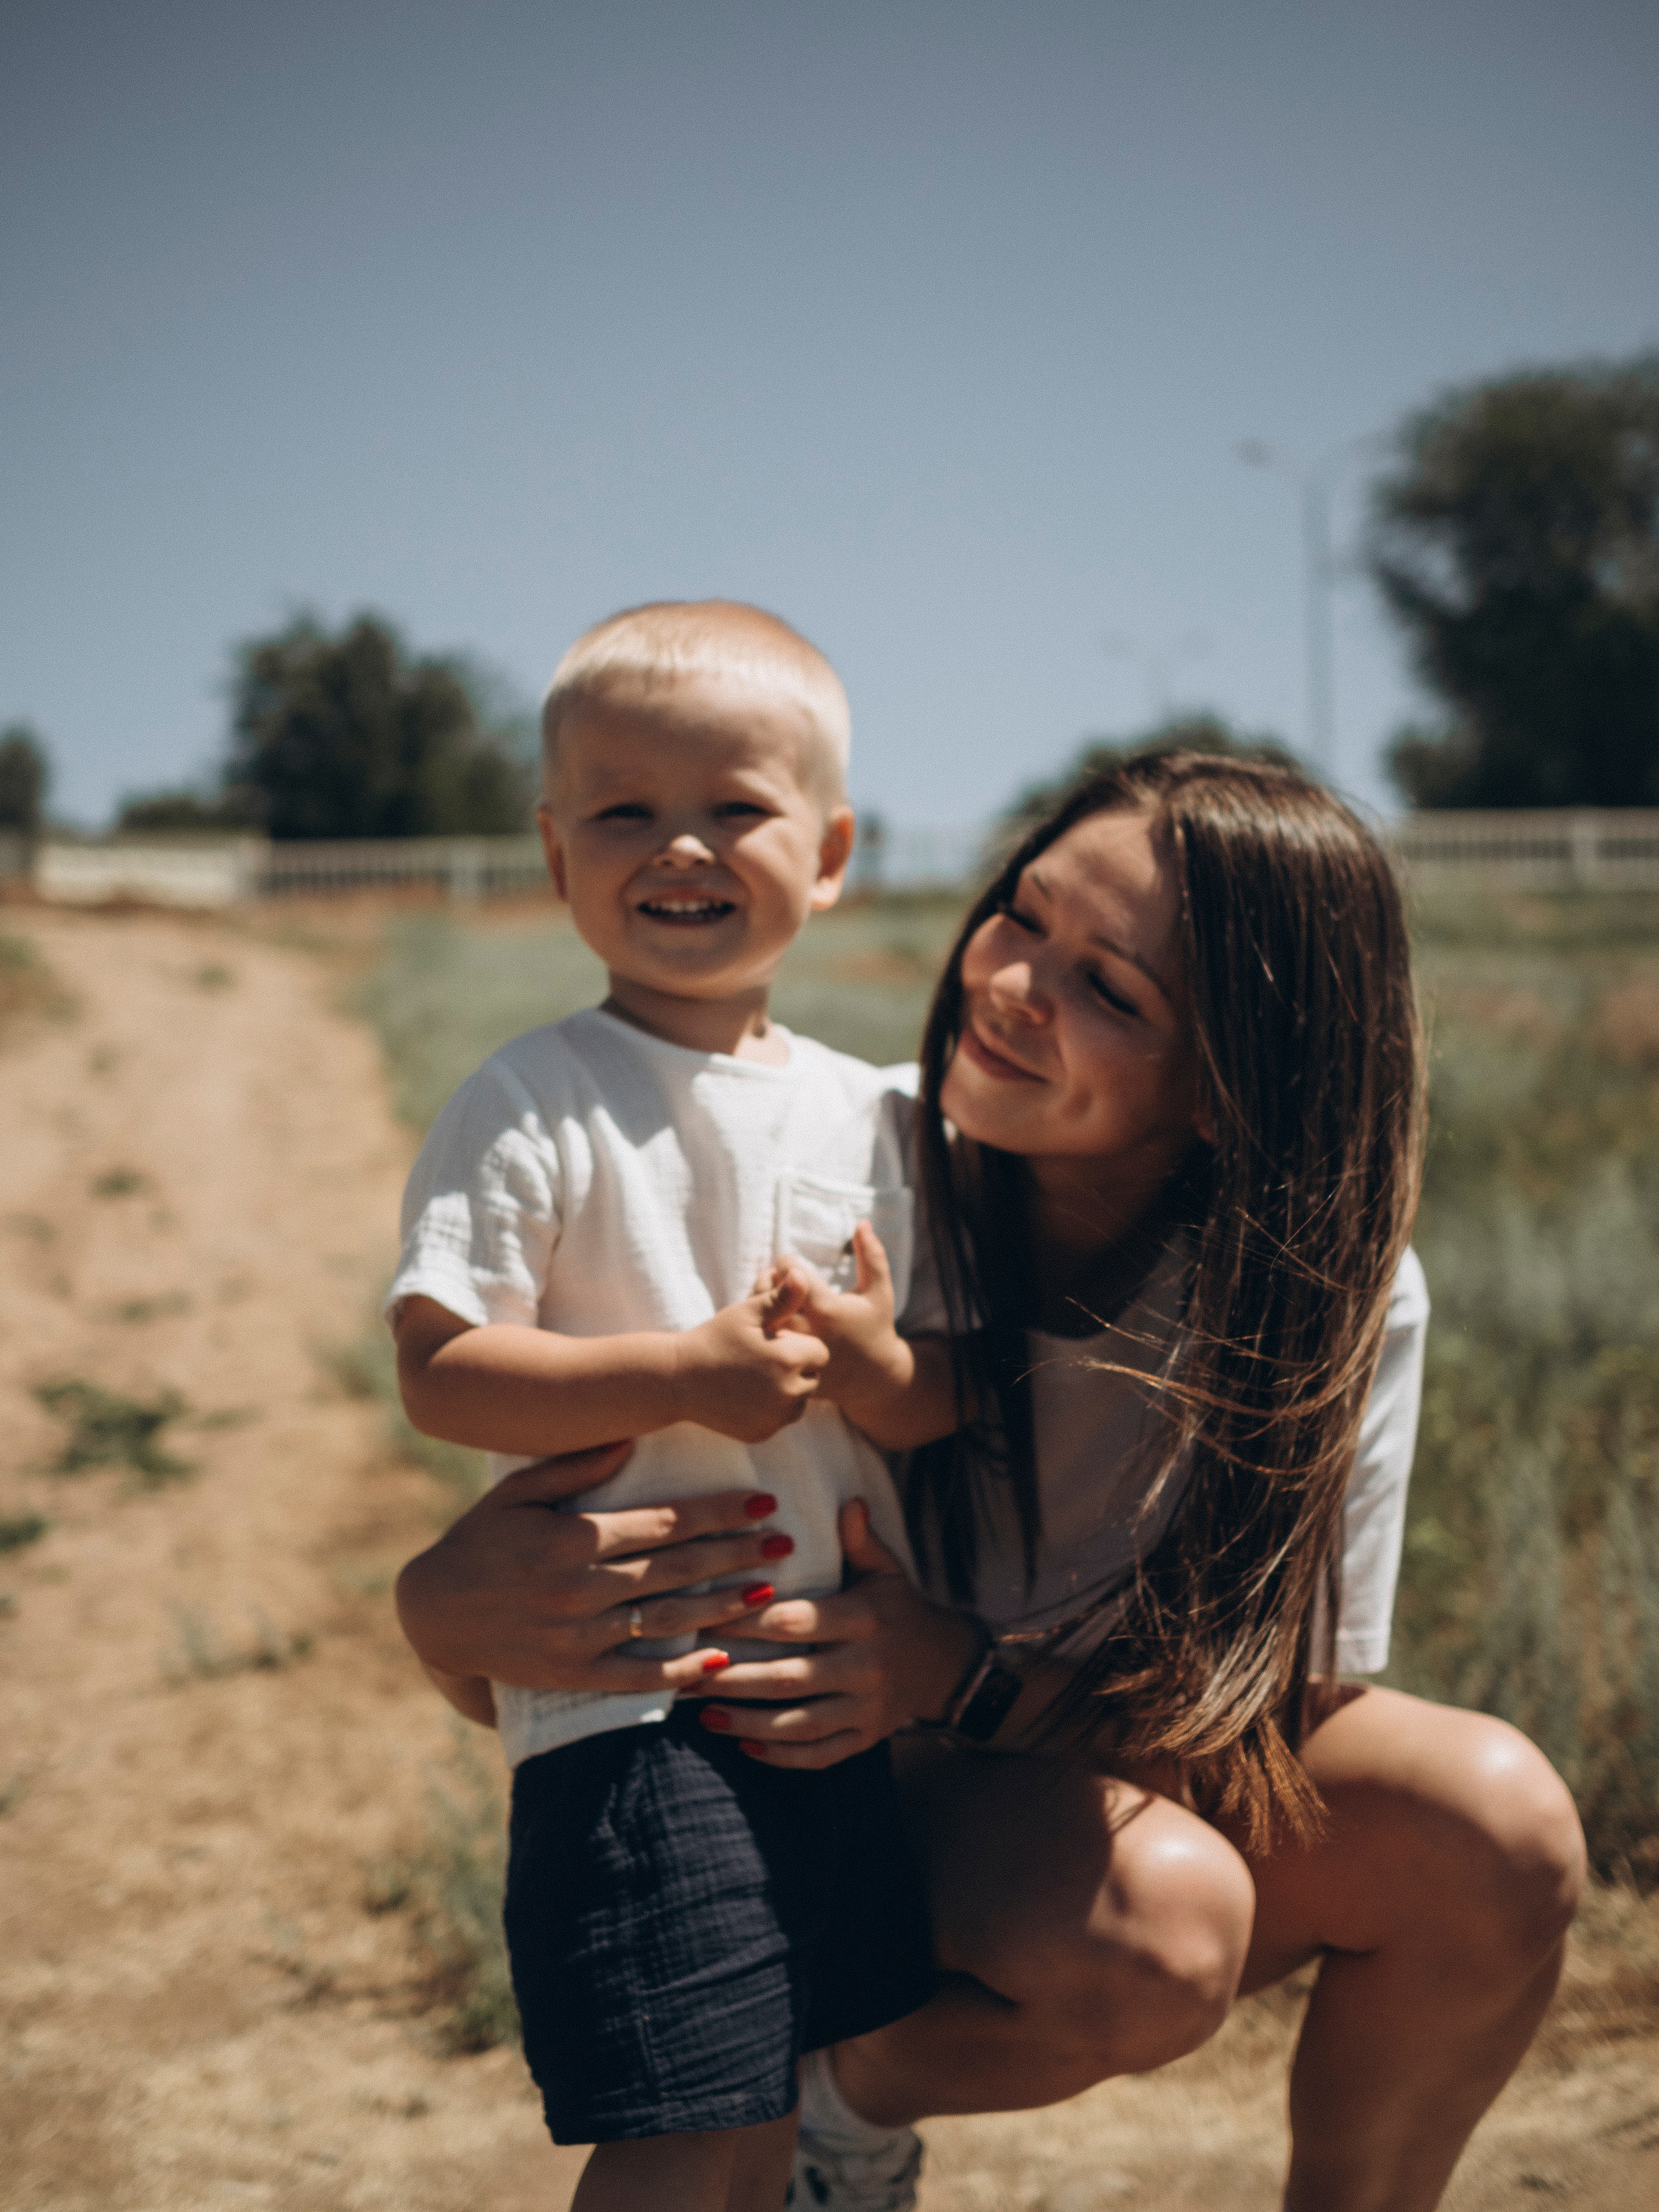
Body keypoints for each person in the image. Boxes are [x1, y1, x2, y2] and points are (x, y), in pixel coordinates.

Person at [397, 750, 1588, 2212]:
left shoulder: (1325, 1306)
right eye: (1022, 916)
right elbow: (583, 1574)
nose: (1013, 985)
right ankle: (810, 2098)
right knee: (1152, 1918)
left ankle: (838, 2101)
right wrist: (441, 1615)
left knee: (1489, 1821)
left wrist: (952, 1677)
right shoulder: (828, 1175)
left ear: (1231, 1090)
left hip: (1055, 1765)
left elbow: (1268, 1721)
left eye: (1113, 991)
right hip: (799, 1776)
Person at [387, 601, 958, 2212]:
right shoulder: (529, 1099)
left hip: (825, 1701)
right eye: (624, 811)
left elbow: (938, 1409)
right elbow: (443, 1368)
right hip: (627, 1702)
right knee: (680, 2127)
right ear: (557, 853)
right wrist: (686, 1377)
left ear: (831, 850)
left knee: (772, 2115)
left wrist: (875, 1370)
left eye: (735, 806)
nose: (679, 846)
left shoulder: (882, 1118)